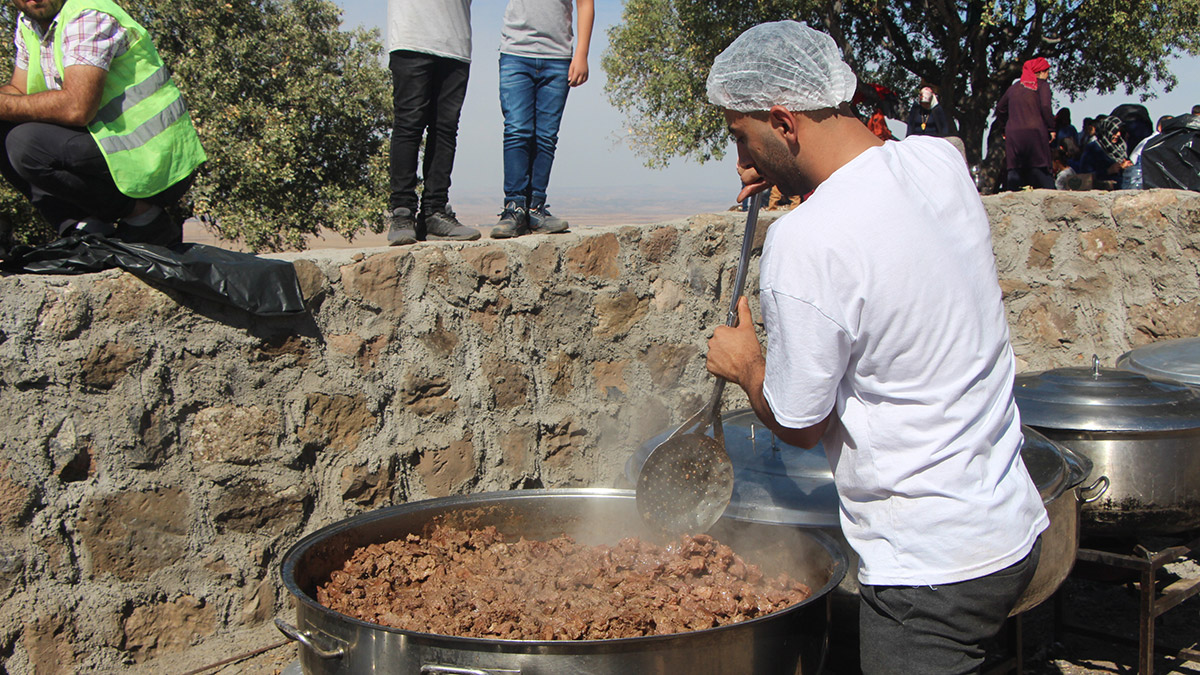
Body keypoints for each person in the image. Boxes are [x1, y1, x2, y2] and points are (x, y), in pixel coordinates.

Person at [704, 21, 1047, 673]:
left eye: (742, 139)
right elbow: (879, 224)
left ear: (783, 119)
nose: (742, 163)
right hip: (1011, 525)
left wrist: (747, 365)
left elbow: (802, 422)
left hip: (929, 570)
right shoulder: (939, 161)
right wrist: (792, 178)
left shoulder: (806, 242)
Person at [0, 0, 206, 248]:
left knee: (26, 143)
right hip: (107, 149)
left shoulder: (88, 15)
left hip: (152, 158)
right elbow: (18, 91)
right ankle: (84, 229)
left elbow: (77, 108)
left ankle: (145, 219)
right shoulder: (29, 23)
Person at [489, 0, 594, 239]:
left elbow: (585, 4)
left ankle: (536, 208)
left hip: (558, 56)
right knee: (517, 130)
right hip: (516, 52)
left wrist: (582, 53)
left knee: (546, 136)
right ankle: (514, 208)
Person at [386, 0, 480, 245]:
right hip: (412, 36)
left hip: (455, 42)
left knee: (445, 129)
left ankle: (434, 213)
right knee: (409, 125)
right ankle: (402, 212)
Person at [994, 57, 1055, 190]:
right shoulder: (1042, 85)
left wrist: (1004, 127)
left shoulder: (1013, 88)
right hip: (1035, 134)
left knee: (1014, 175)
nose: (1047, 76)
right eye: (1047, 72)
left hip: (1014, 136)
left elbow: (1000, 108)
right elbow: (1045, 106)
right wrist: (1051, 128)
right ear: (1041, 72)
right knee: (1043, 175)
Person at [1079, 116, 1132, 188]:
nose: (1118, 134)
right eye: (1115, 131)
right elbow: (1084, 174)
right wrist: (1108, 171)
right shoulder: (1093, 148)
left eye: (1120, 131)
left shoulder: (1121, 147)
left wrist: (1125, 167)